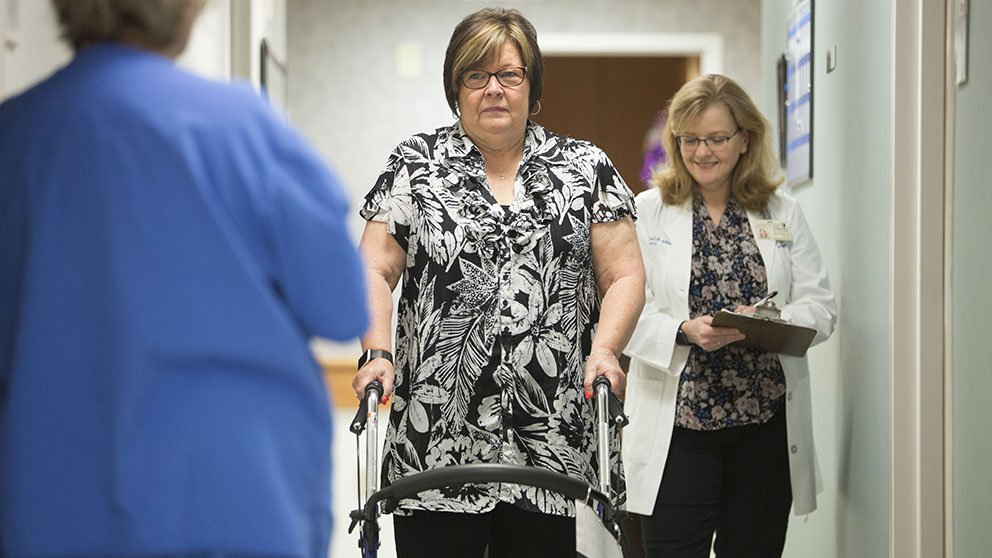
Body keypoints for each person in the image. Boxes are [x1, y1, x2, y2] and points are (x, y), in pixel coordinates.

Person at [0, 1, 369, 557]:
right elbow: (341, 309)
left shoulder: (15, 136)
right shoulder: (242, 127)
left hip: (52, 505)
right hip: (236, 502)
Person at [351, 7, 645, 558]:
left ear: (532, 88)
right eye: (475, 76)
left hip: (552, 440)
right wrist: (377, 351)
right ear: (455, 88)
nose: (493, 90)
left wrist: (606, 349)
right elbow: (373, 266)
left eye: (509, 75)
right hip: (435, 439)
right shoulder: (415, 166)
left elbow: (624, 272)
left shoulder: (585, 168)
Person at [622, 74, 837, 557]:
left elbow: (820, 307)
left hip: (762, 429)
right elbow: (622, 311)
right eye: (690, 139)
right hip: (679, 432)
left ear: (744, 140)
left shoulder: (781, 211)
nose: (703, 152)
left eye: (717, 138)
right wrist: (682, 330)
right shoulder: (648, 212)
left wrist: (767, 322)